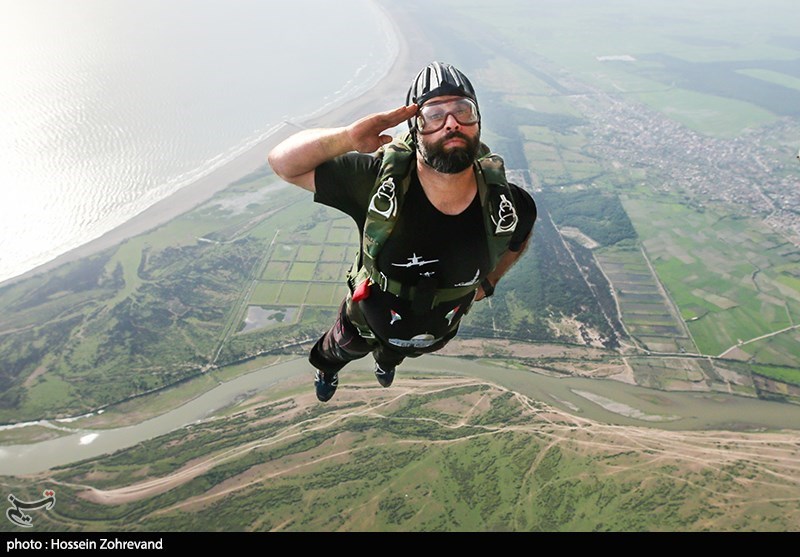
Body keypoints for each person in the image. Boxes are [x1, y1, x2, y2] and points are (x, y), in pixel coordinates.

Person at [268, 61, 536, 402]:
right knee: (337, 349)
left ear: (477, 123)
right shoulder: (374, 182)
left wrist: (490, 281)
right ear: (414, 127)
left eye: (462, 111)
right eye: (434, 114)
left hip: (435, 327)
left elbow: (519, 236)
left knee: (394, 353)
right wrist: (348, 138)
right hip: (366, 316)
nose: (451, 122)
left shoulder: (509, 205)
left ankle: (386, 363)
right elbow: (283, 162)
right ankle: (327, 370)